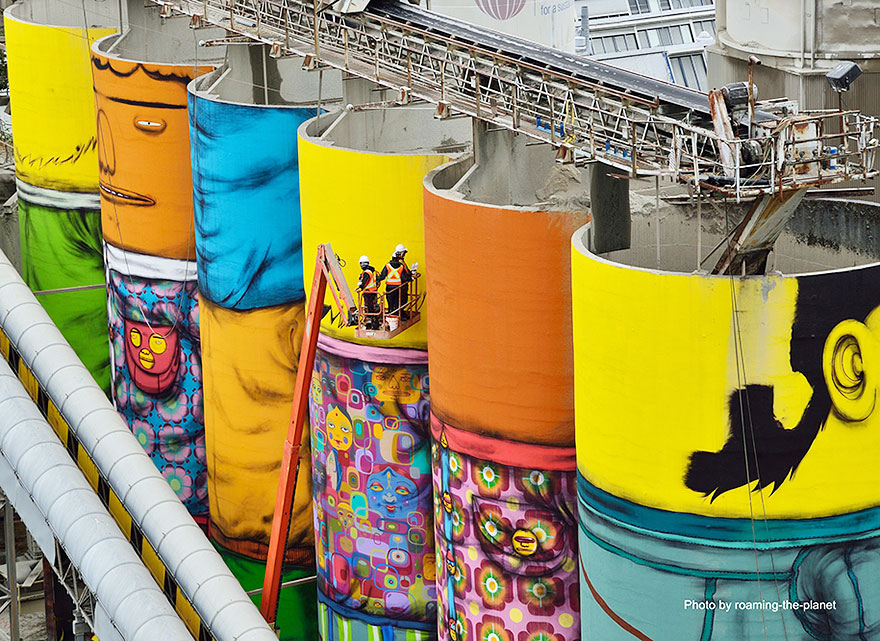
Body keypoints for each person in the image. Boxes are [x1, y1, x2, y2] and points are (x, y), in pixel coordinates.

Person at [378, 244, 412, 320]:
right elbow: (404, 277)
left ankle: (390, 315)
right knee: (397, 302)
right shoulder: (401, 265)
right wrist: (410, 277)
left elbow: (382, 276)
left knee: (390, 302)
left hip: (389, 287)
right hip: (398, 287)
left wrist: (377, 280)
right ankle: (396, 316)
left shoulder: (387, 266)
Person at [356, 255, 380, 329]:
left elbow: (365, 283)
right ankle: (374, 322)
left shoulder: (367, 273)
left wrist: (360, 286)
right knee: (373, 306)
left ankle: (374, 324)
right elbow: (378, 280)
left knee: (370, 308)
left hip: (368, 293)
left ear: (362, 264)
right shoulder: (373, 271)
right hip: (374, 292)